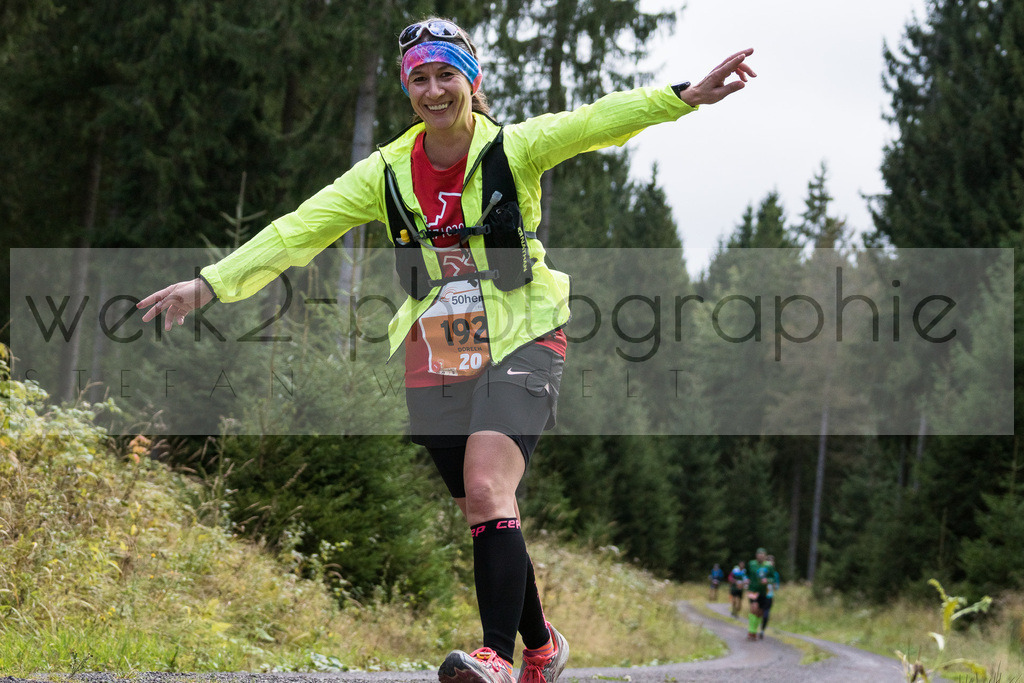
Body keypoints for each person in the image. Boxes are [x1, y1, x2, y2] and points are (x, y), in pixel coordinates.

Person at [138, 17, 756, 683]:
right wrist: (211, 284)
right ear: (408, 90)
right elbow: (298, 230)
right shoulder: (385, 173)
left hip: (523, 329)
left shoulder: (514, 149)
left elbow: (596, 120)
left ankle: (495, 653)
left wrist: (682, 96)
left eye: (446, 75)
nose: (434, 90)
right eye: (419, 79)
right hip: (436, 347)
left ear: (472, 79)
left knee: (489, 485)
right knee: (479, 505)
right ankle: (542, 644)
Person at [746, 547, 769, 641]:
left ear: (765, 556)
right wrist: (746, 580)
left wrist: (768, 580)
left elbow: (772, 578)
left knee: (759, 612)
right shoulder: (751, 564)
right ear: (756, 556)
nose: (760, 557)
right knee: (753, 608)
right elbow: (746, 575)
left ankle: (754, 629)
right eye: (759, 555)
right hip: (753, 590)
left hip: (763, 591)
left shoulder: (768, 566)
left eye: (762, 555)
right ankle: (751, 631)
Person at [759, 555, 781, 639]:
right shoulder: (762, 571)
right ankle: (755, 628)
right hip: (761, 595)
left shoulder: (775, 574)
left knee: (766, 614)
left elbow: (777, 586)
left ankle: (762, 630)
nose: (770, 564)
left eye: (772, 562)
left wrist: (774, 585)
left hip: (769, 596)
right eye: (769, 562)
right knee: (759, 612)